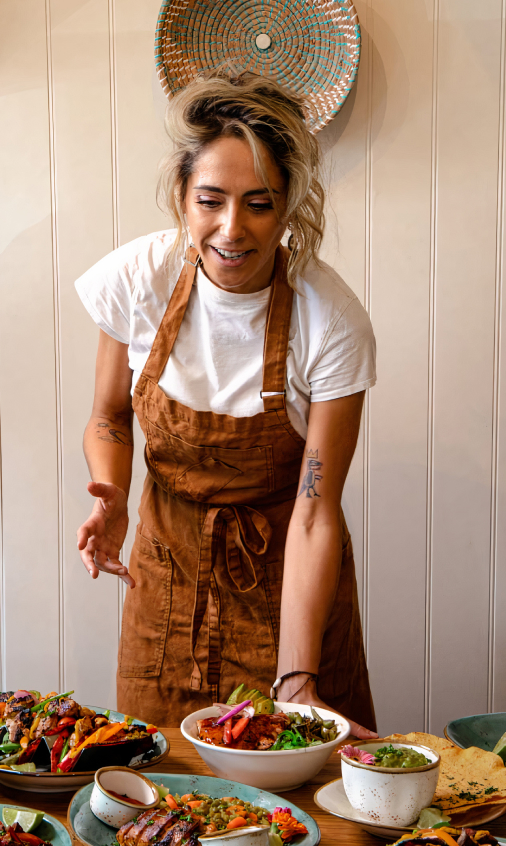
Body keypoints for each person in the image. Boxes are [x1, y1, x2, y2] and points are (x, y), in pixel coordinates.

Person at [73, 71, 378, 733]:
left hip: (286, 595)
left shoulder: (330, 321)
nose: (232, 229)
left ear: (291, 203)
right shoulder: (136, 282)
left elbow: (315, 511)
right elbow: (109, 417)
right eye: (210, 199)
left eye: (259, 204)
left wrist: (298, 677)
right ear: (181, 195)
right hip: (166, 584)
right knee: (156, 801)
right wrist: (114, 494)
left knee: (302, 808)